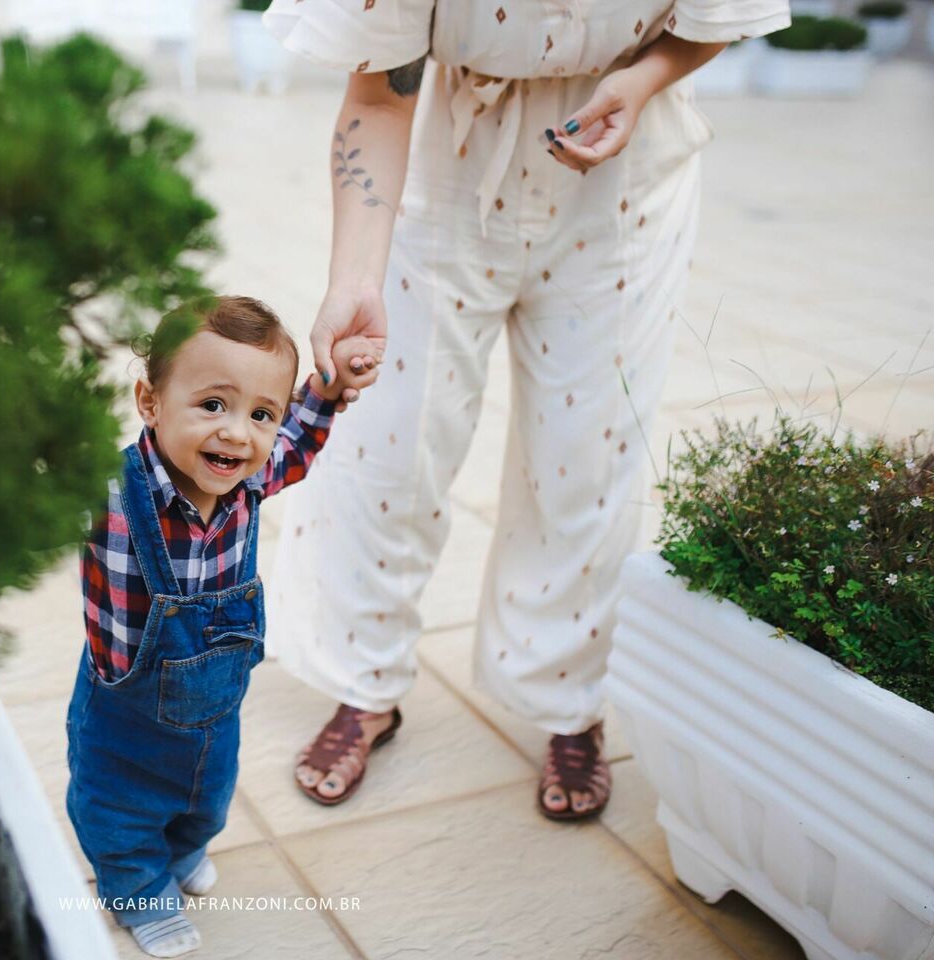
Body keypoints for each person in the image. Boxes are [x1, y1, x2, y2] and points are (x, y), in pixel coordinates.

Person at [263, 0, 790, 819]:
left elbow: (717, 15)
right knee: (386, 448)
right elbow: (379, 93)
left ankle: (565, 697)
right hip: (439, 161)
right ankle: (363, 681)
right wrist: (354, 280)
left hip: (625, 173)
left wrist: (645, 78)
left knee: (588, 453)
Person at [65, 295, 381, 958]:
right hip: (126, 709)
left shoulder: (253, 480)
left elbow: (297, 438)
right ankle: (139, 893)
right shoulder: (110, 494)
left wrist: (327, 386)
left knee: (206, 800)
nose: (238, 433)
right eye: (212, 405)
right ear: (150, 402)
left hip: (214, 710)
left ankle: (180, 857)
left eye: (259, 412)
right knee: (119, 813)